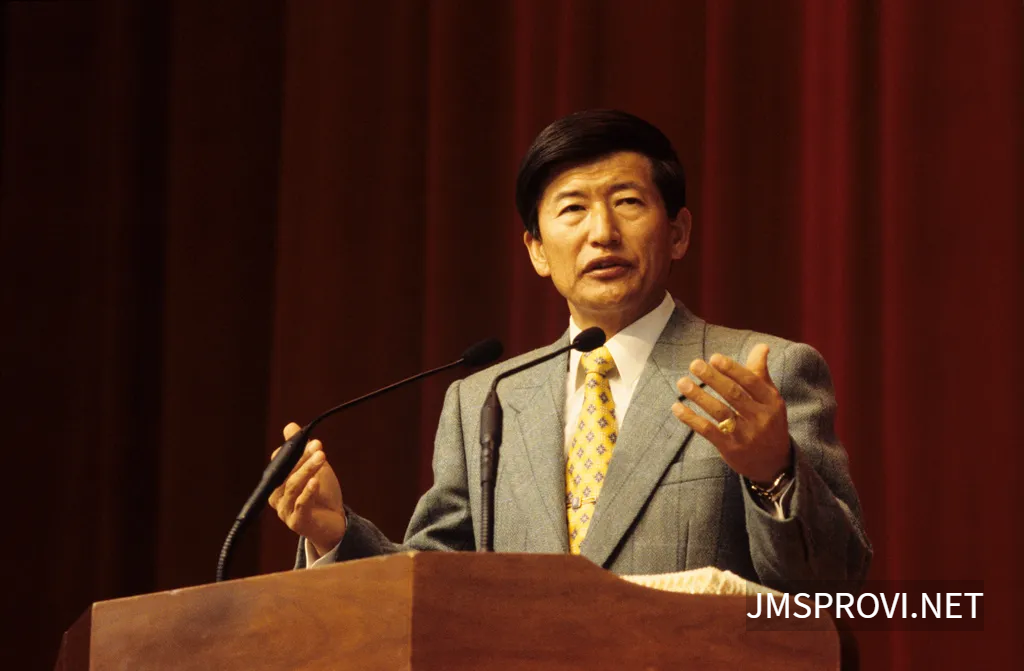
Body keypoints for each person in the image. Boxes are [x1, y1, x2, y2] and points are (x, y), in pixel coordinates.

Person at [268, 110, 871, 591]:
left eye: (628, 202)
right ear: (536, 250)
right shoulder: (486, 400)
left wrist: (774, 474)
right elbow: (434, 585)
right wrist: (335, 535)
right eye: (573, 208)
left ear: (678, 233)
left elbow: (837, 585)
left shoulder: (760, 374)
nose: (602, 232)